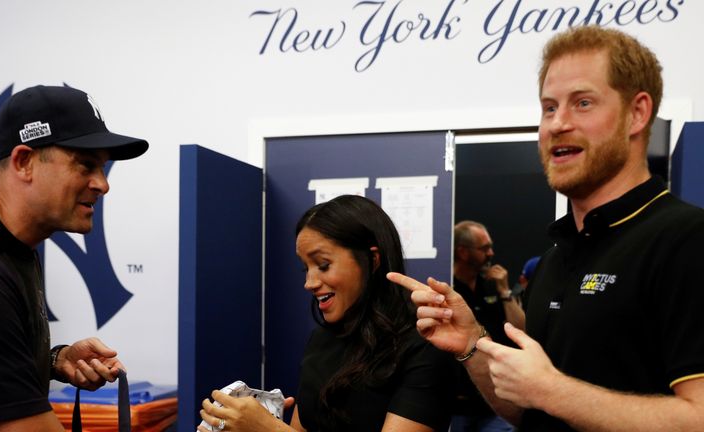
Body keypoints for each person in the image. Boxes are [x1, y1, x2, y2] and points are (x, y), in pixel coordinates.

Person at [388, 25, 704, 431]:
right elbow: (531, 411)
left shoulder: (686, 240)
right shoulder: (556, 260)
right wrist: (471, 344)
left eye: (583, 103)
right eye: (549, 107)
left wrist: (552, 390)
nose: (557, 124)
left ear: (637, 113)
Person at [0, 85, 149, 430]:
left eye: (103, 168)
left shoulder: (10, 246)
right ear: (24, 162)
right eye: (85, 165)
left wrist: (54, 359)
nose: (102, 184)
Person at [198, 195, 456, 432]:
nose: (310, 283)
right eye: (305, 269)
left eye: (323, 265)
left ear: (372, 259)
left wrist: (270, 429)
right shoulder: (321, 340)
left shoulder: (424, 341)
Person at [449, 221, 522, 432]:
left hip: (496, 403)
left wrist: (505, 291)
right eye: (484, 248)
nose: (491, 253)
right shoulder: (448, 287)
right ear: (462, 252)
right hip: (456, 404)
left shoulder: (492, 284)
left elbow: (521, 329)